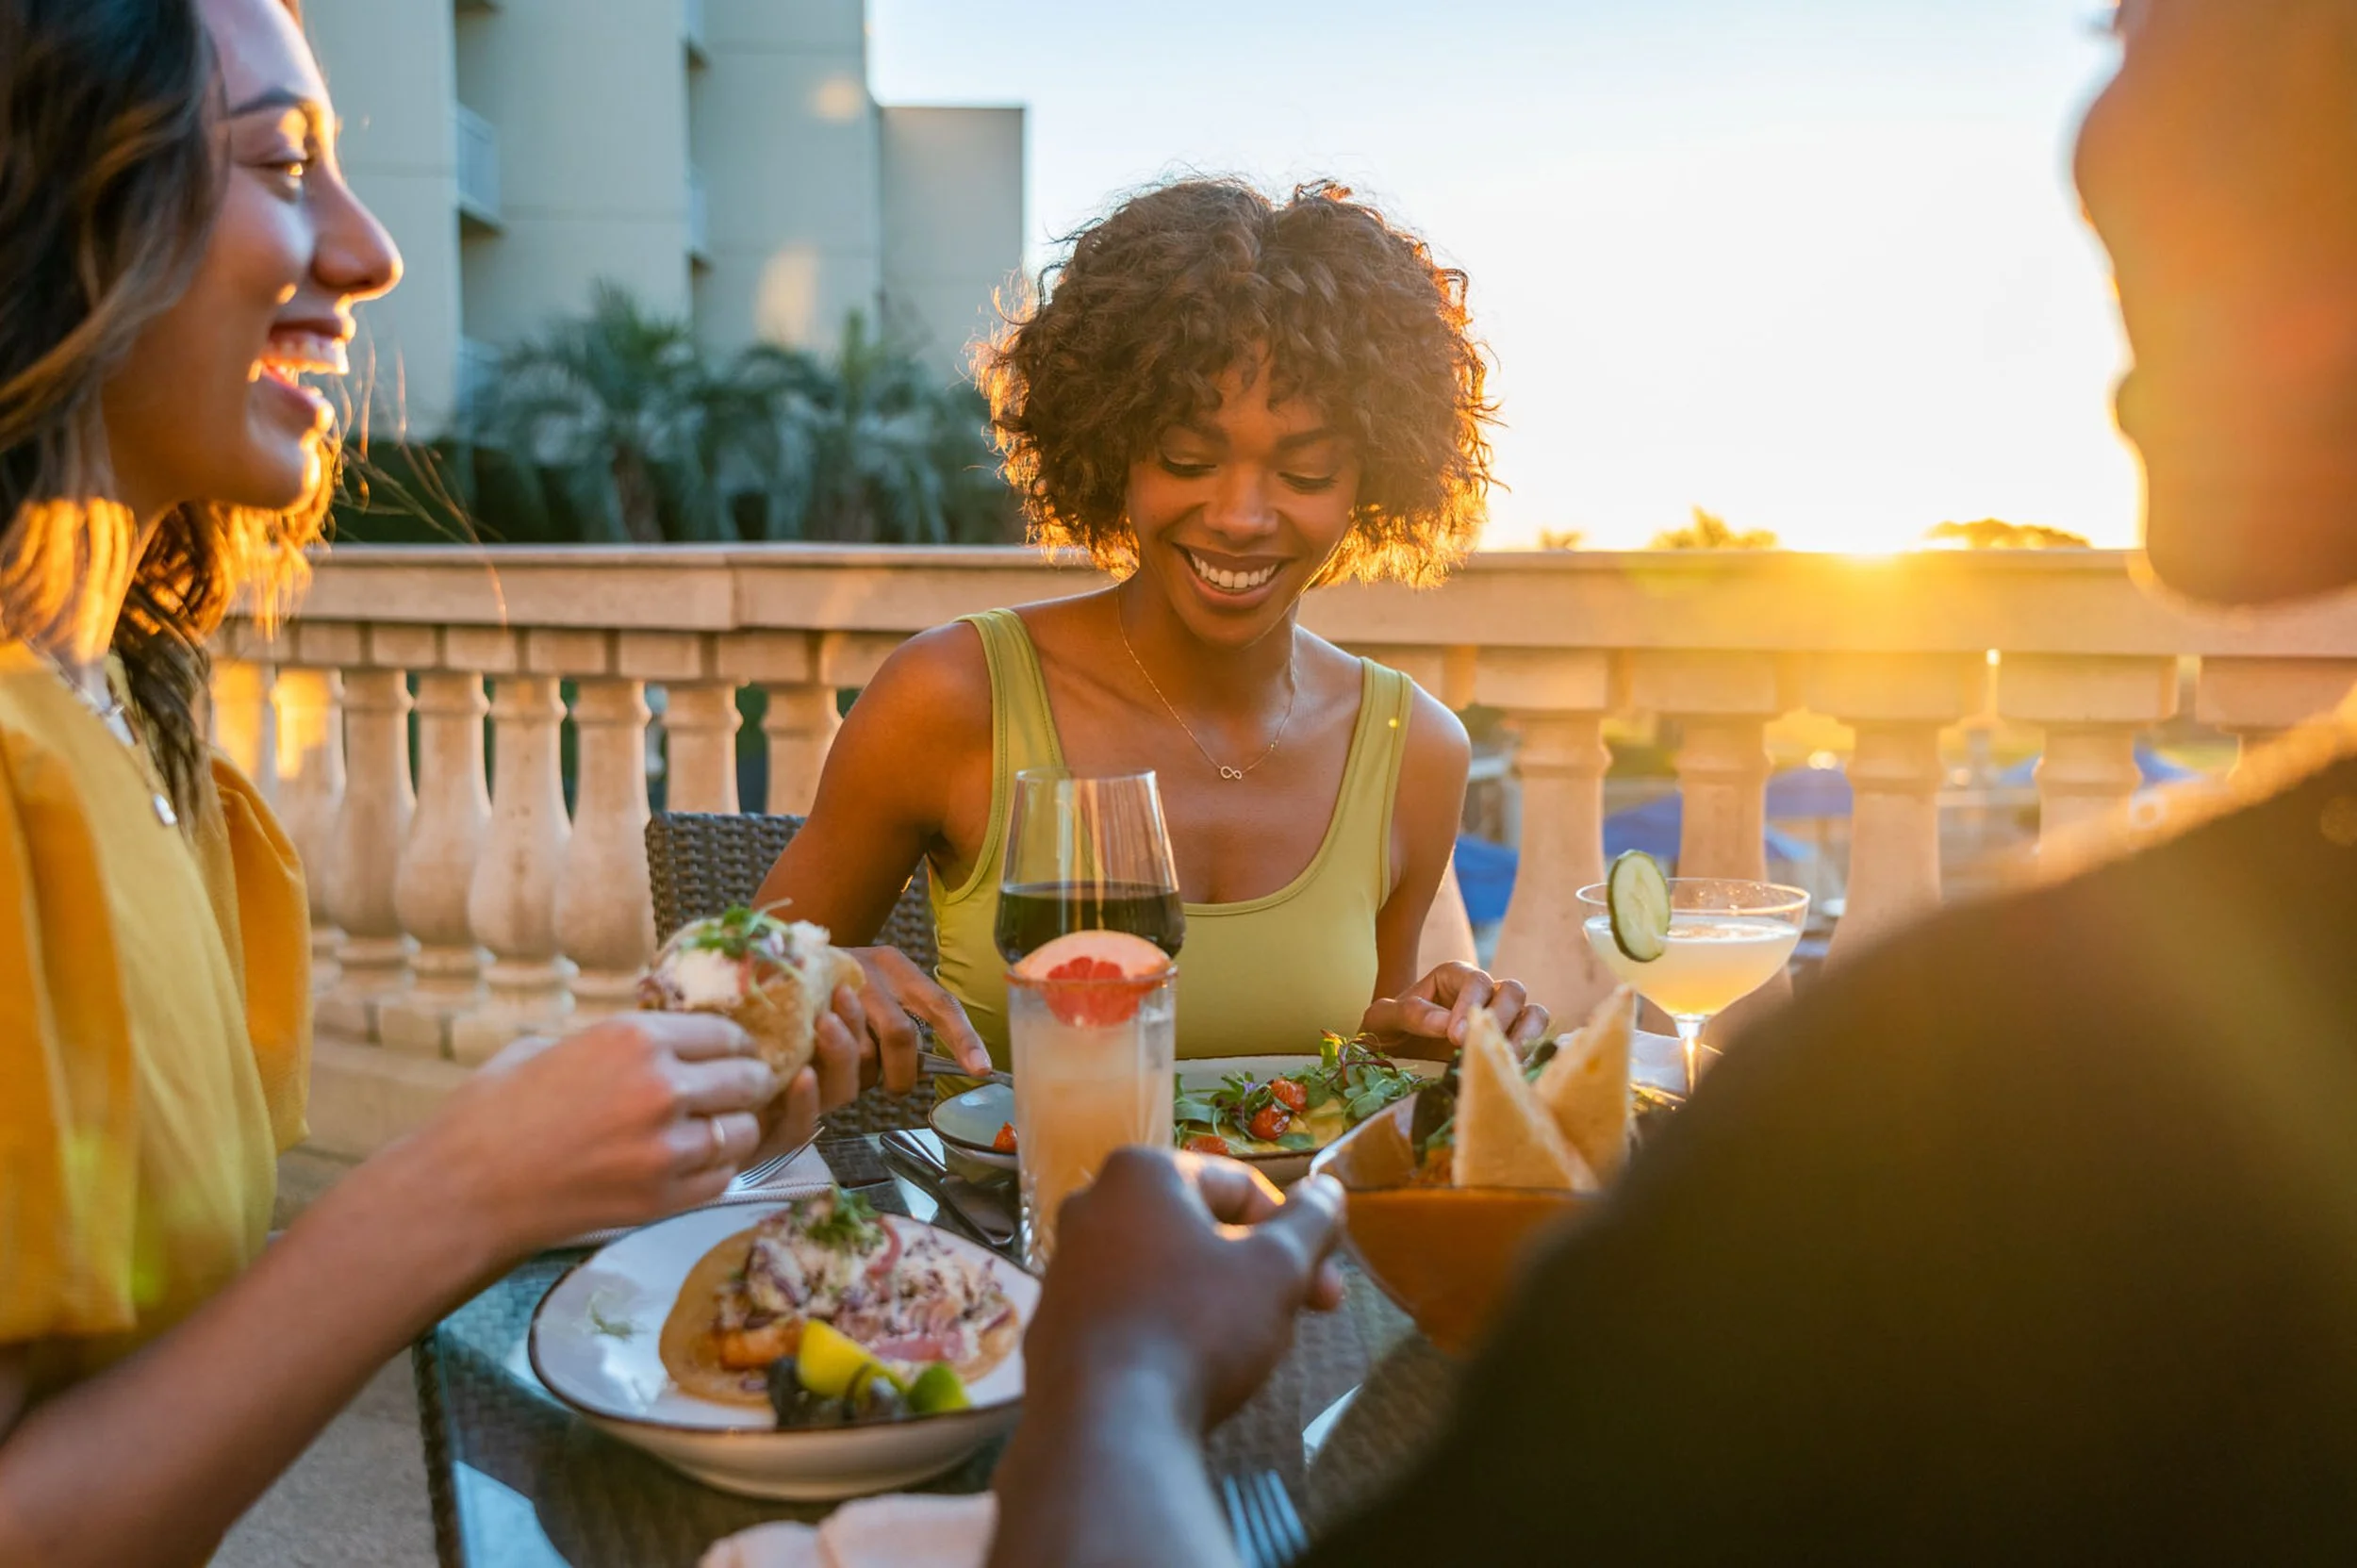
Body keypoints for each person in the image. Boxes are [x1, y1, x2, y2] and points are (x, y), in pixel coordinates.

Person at [987, 0, 2357, 1560]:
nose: (2103, 137)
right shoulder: (2060, 1063)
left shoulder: (1997, 1085)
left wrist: (1117, 1359)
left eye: (2160, 13)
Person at [0, 2, 849, 1560]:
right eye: (283, 160)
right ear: (45, 197)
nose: (371, 248)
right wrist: (456, 1190)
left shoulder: (129, 710)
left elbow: (142, 1350)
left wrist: (544, 1150)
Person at [755, 178, 1549, 1072]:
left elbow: (1345, 1081)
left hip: (1288, 1219)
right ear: (1112, 447)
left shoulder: (1413, 749)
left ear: (1371, 482)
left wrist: (1424, 1039)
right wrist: (817, 977)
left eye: (1307, 471)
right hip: (1015, 1213)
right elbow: (718, 1011)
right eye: (1186, 458)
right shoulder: (953, 695)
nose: (1242, 515)